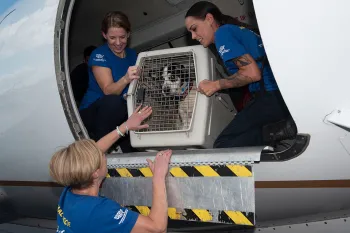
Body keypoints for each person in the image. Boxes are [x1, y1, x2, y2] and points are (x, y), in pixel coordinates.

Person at [50, 105, 172, 233]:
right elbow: (157, 228)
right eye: (102, 156)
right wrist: (158, 176)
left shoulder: (69, 192)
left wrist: (125, 126)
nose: (104, 155)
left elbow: (91, 153)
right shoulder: (99, 211)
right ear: (95, 173)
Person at [185, 1, 291, 148]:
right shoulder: (235, 30)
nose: (193, 36)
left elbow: (252, 73)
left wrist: (216, 85)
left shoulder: (223, 33)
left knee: (223, 144)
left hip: (272, 95)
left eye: (194, 29)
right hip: (279, 94)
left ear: (209, 19)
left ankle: (282, 129)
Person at [79, 11, 140, 153]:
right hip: (95, 112)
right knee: (113, 102)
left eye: (122, 37)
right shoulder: (99, 55)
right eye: (112, 38)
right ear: (104, 35)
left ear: (128, 34)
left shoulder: (132, 54)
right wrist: (126, 78)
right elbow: (108, 90)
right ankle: (101, 148)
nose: (118, 43)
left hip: (121, 112)